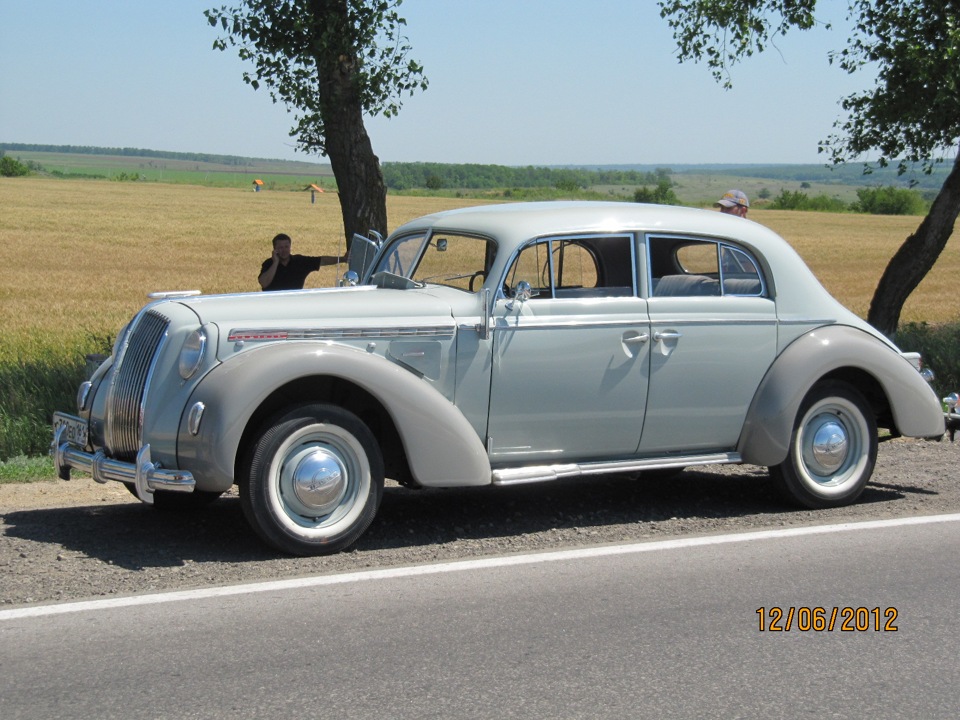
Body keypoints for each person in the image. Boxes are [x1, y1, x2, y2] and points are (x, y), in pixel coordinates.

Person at [258, 233, 341, 291]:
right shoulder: (268, 263)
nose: (284, 250)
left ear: (290, 247)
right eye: (280, 248)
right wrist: (275, 263)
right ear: (275, 249)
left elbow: (322, 260)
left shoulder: (299, 261)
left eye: (286, 247)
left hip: (295, 303)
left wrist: (343, 259)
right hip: (272, 304)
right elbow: (264, 283)